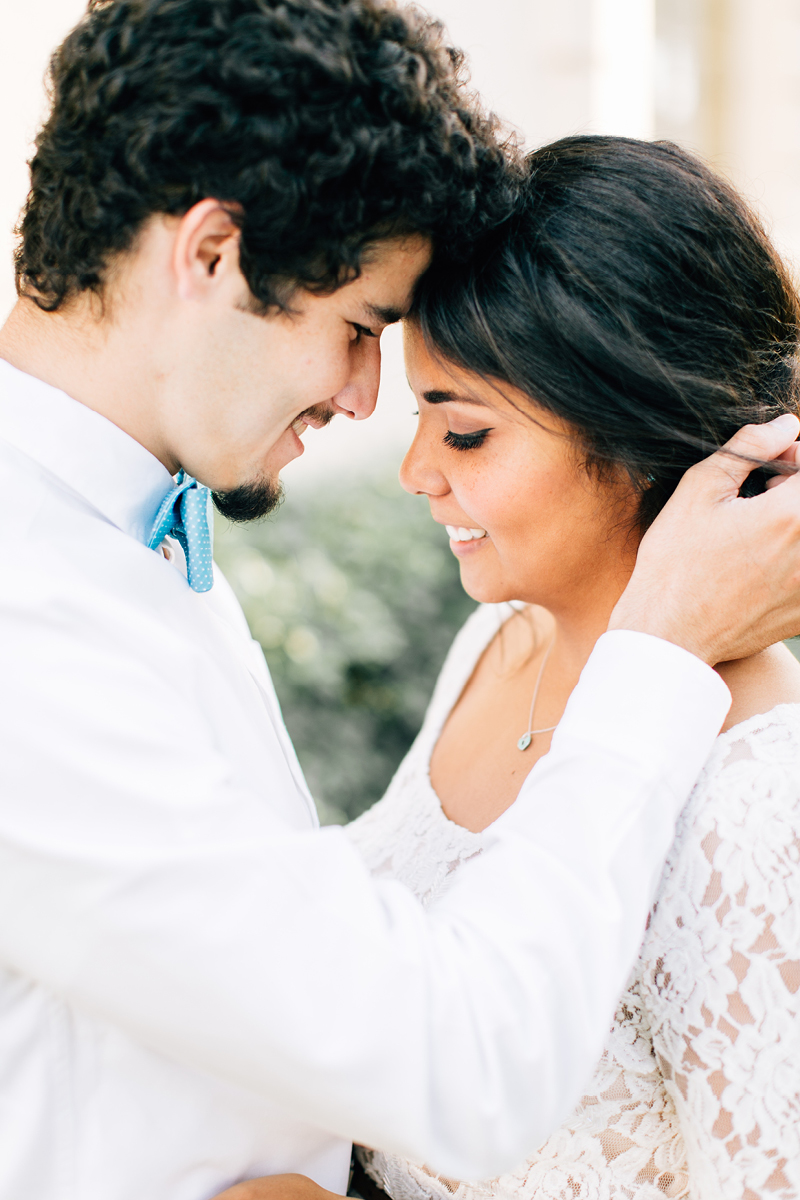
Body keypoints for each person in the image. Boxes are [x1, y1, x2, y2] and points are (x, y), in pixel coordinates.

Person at [1, 1, 800, 1195]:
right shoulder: (34, 620)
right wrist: (657, 651)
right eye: (358, 325)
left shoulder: (123, 540)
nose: (365, 401)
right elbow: (456, 1064)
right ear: (211, 254)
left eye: (460, 418)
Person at [237, 136, 800, 1200]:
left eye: (463, 435)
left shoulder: (759, 803)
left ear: (632, 434)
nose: (414, 474)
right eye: (420, 422)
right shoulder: (502, 641)